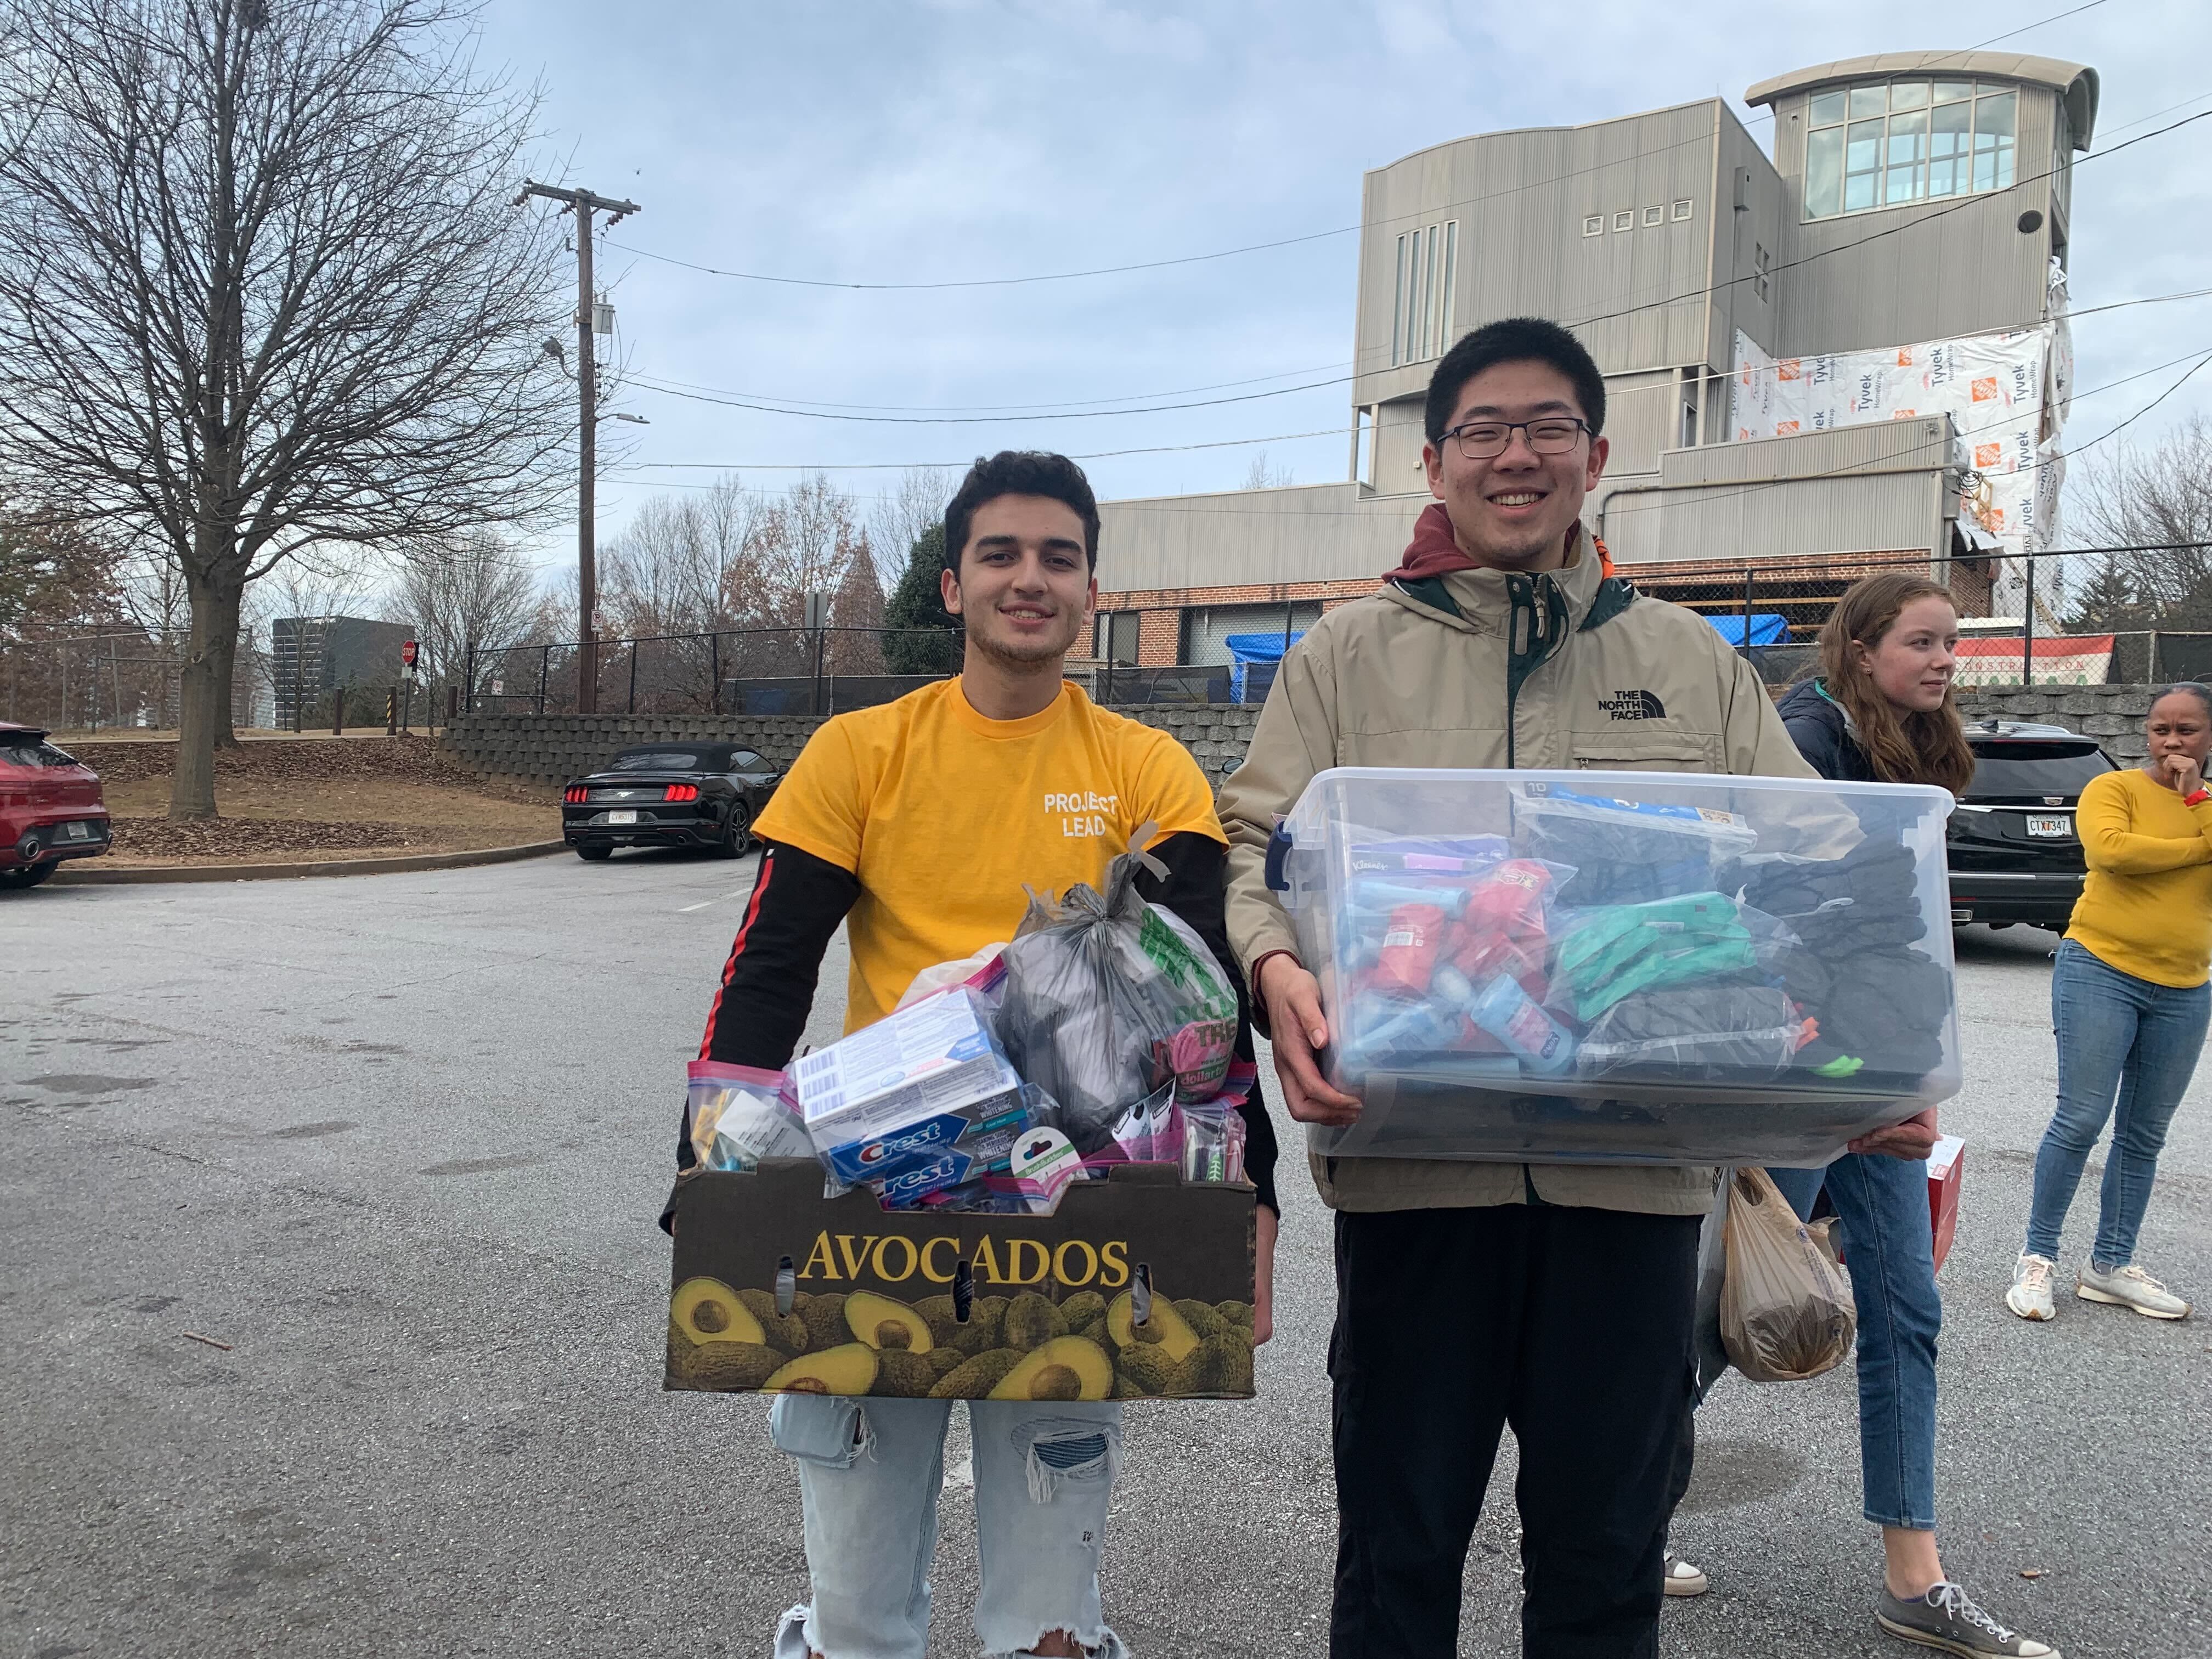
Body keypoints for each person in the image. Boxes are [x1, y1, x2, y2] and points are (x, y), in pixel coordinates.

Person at [1217, 315, 1813, 1659]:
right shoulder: (1345, 655)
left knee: (1606, 1561)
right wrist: (1272, 969)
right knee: (1397, 1551)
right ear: (1435, 463)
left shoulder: (1694, 664)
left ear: (1595, 456)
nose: (1516, 455)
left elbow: (1808, 861)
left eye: (1548, 427)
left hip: (1636, 1182)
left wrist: (1844, 1050)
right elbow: (1254, 847)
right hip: (1414, 1171)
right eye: (1483, 431)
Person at [675, 450, 1280, 1659]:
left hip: (1080, 1204)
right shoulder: (861, 751)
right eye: (1000, 554)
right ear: (951, 587)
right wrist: (707, 1181)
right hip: (877, 1185)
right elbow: (767, 974)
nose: (1029, 578)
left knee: (1050, 1614)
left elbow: (1209, 1017)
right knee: (856, 1603)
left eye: (1059, 557)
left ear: (1091, 592)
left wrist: (1250, 1200)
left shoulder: (1146, 770)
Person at [1737, 574, 2052, 1658]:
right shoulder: (1807, 738)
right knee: (1731, 1297)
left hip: (1885, 1063)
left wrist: (1911, 1071)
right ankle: (1616, 1515)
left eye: (1953, 644)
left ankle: (1914, 1577)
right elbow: (1772, 911)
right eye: (1924, 642)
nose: (1946, 660)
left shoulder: (1918, 746)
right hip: (1811, 1067)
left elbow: (1907, 935)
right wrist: (1841, 1069)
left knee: (1906, 1307)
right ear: (1862, 649)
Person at [2008, 681, 2211, 1325]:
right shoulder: (2113, 789)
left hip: (2185, 986)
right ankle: (2037, 1258)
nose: (2171, 742)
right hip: (2102, 968)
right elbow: (2112, 853)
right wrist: (2201, 846)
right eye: (2160, 729)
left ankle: (2110, 1265)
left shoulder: (2207, 804)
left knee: (2144, 1134)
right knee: (2081, 1119)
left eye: (2187, 730)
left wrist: (2197, 800)